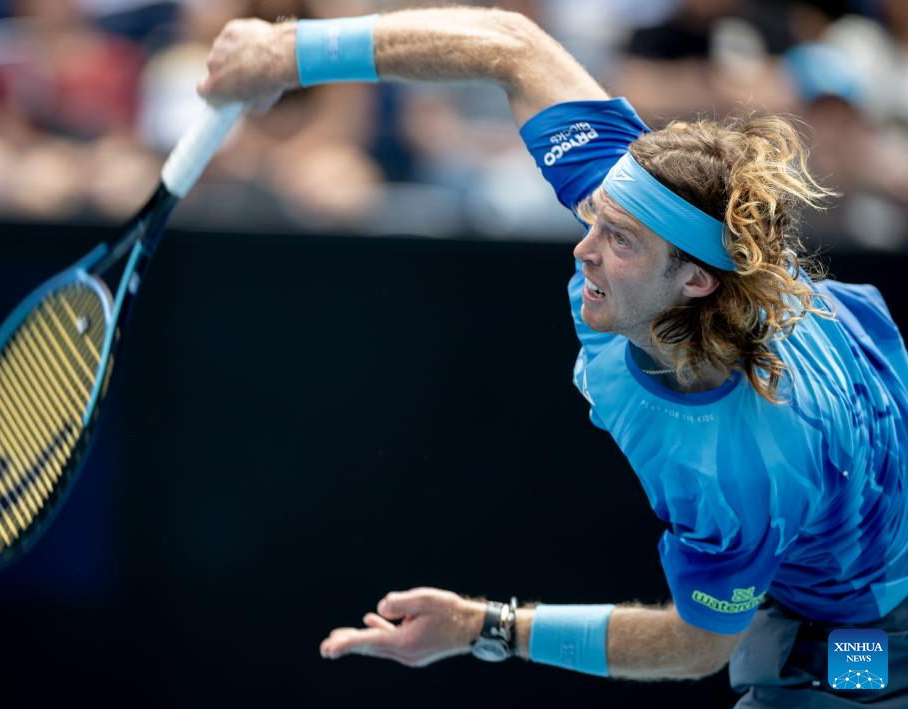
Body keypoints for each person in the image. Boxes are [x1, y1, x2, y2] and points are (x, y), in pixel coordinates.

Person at [196, 6, 908, 706]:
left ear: (692, 281)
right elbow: (510, 45)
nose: (583, 246)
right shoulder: (667, 220)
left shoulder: (740, 465)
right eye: (596, 217)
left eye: (619, 240)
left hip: (863, 618)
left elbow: (698, 645)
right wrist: (288, 51)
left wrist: (486, 626)